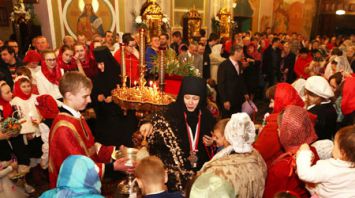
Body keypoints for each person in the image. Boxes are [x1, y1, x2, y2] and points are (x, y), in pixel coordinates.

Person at [48, 72, 133, 188]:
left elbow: (91, 147)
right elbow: (79, 167)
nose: (89, 100)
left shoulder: (77, 116)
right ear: (69, 95)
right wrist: (112, 167)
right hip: (73, 189)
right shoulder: (63, 128)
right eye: (85, 96)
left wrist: (116, 151)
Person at [139, 76, 216, 191]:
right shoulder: (173, 110)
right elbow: (156, 116)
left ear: (201, 98)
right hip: (177, 173)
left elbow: (219, 141)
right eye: (187, 98)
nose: (190, 102)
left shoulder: (208, 117)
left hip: (201, 173)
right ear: (181, 96)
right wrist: (147, 122)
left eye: (195, 99)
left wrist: (212, 143)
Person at [199, 113, 267, 198]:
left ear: (227, 136)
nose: (214, 139)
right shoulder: (257, 156)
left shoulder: (219, 168)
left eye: (217, 137)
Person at [263, 105, 319, 198]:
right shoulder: (312, 152)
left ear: (287, 134)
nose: (277, 130)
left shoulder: (282, 168)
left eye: (280, 128)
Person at [92, 46, 137, 147]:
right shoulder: (98, 77)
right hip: (104, 118)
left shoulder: (121, 76)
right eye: (98, 64)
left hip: (120, 118)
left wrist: (114, 98)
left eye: (102, 64)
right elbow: (93, 94)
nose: (99, 67)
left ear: (107, 62)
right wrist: (97, 97)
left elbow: (128, 94)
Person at [253, 83, 305, 167]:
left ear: (281, 102)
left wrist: (257, 136)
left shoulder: (276, 125)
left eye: (272, 102)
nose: (270, 106)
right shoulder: (299, 116)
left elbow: (258, 153)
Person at [296, 125, 355, 197]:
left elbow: (304, 174)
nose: (332, 147)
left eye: (335, 144)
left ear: (342, 153)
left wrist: (304, 153)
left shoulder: (327, 167)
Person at [11, 76, 43, 167]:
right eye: (23, 86)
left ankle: (41, 167)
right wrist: (27, 132)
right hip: (28, 133)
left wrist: (40, 120)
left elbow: (41, 112)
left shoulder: (36, 97)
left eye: (28, 86)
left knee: (41, 150)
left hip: (39, 129)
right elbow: (19, 119)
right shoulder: (15, 101)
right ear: (18, 87)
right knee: (32, 153)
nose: (27, 88)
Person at [217, 45, 249, 118]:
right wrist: (225, 100)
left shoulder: (239, 64)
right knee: (227, 120)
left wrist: (245, 92)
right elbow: (221, 84)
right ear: (235, 52)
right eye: (241, 53)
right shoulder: (223, 65)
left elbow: (241, 80)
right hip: (229, 99)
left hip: (238, 98)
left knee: (237, 119)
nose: (243, 55)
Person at [305, 76, 337, 140]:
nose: (306, 97)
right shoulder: (331, 107)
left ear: (317, 97)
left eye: (308, 94)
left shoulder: (312, 113)